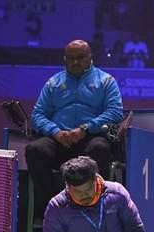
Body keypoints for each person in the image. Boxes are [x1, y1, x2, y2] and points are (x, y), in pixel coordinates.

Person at [26, 39, 124, 218]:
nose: (75, 62)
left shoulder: (106, 81)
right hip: (60, 140)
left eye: (80, 57)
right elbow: (37, 115)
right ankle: (53, 208)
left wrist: (86, 128)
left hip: (90, 138)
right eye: (70, 58)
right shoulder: (53, 83)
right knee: (35, 150)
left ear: (90, 57)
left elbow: (115, 112)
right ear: (64, 59)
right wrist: (55, 132)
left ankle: (94, 207)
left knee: (100, 148)